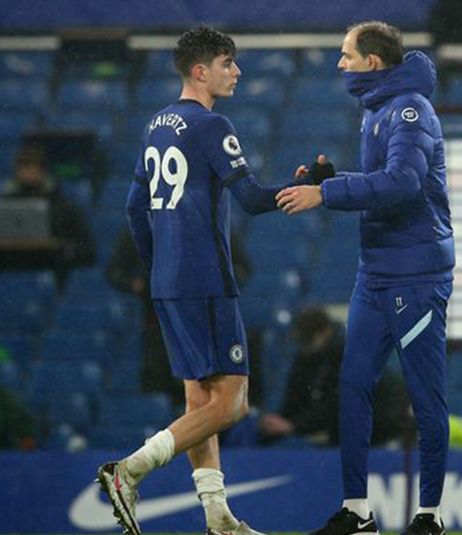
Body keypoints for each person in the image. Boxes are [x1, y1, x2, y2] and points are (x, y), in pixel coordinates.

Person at [96, 27, 294, 535]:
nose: (237, 72)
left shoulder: (156, 124)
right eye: (229, 63)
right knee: (231, 403)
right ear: (201, 71)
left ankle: (217, 514)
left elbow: (134, 207)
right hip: (205, 277)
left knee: (198, 401)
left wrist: (155, 263)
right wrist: (304, 188)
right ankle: (129, 470)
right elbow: (249, 197)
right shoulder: (211, 124)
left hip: (168, 278)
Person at [276, 21, 455, 535]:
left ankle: (430, 515)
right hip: (375, 273)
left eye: (346, 55)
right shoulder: (378, 108)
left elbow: (402, 183)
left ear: (372, 63)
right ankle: (357, 511)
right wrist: (331, 178)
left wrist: (327, 194)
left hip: (415, 275)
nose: (340, 63)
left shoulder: (409, 110)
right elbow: (382, 182)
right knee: (352, 386)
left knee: (426, 398)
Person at [106, 225, 252, 407]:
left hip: (207, 330)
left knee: (206, 402)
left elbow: (242, 270)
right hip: (159, 330)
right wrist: (135, 284)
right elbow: (114, 271)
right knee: (159, 396)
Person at [258, 307, 410, 447]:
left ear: (325, 332)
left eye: (308, 338)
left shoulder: (351, 354)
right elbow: (296, 397)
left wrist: (293, 425)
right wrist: (280, 421)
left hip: (380, 424)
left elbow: (339, 404)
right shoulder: (306, 356)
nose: (305, 345)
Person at [0, 144, 96, 291]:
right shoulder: (0, 205)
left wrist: (59, 246)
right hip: (9, 271)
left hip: (50, 270)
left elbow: (87, 250)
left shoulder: (65, 208)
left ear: (43, 170)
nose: (28, 173)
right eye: (24, 167)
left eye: (32, 167)